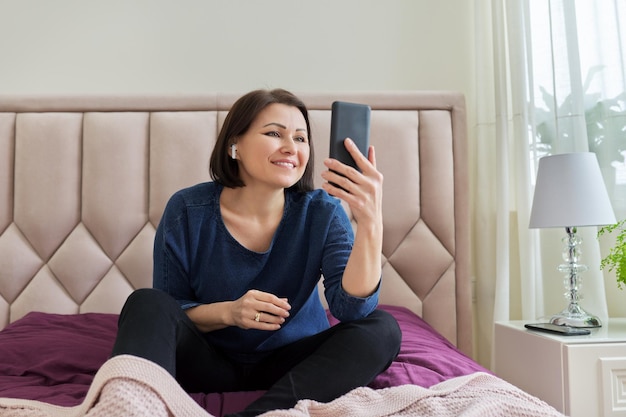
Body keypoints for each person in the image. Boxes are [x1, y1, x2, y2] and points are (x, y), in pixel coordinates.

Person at [111, 88, 401, 417]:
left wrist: (370, 222)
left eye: (301, 138)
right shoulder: (187, 210)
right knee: (145, 302)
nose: (291, 147)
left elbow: (351, 309)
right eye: (274, 133)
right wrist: (230, 313)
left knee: (383, 328)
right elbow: (169, 310)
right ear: (235, 145)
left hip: (294, 366)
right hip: (208, 361)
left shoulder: (322, 212)